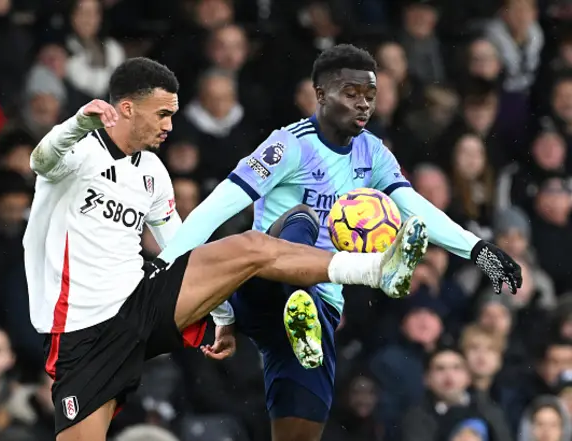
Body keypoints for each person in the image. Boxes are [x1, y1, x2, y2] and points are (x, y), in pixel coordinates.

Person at [22, 57, 430, 441]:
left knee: (253, 245)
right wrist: (77, 123)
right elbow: (42, 159)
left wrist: (221, 315)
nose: (169, 126)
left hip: (141, 302)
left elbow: (177, 246)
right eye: (162, 114)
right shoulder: (76, 153)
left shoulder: (152, 173)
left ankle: (375, 269)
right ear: (127, 108)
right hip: (83, 332)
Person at [158, 44, 523, 441]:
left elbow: (414, 207)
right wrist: (166, 261)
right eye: (351, 94)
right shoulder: (288, 145)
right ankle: (314, 292)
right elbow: (219, 205)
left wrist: (477, 248)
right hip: (261, 285)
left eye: (370, 95)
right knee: (303, 218)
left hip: (320, 310)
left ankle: (306, 316)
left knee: (300, 433)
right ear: (320, 94)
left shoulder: (373, 152)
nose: (363, 104)